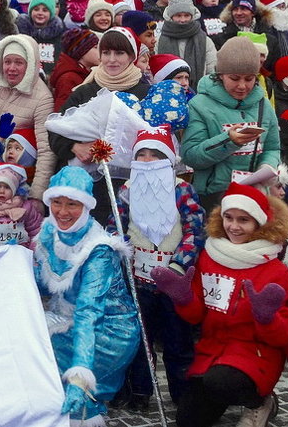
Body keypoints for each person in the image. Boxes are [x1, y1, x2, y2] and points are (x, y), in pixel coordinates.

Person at [152, 182, 288, 427]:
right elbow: (197, 315)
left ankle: (259, 401)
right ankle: (224, 391)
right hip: (213, 351)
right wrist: (184, 298)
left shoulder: (276, 271)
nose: (234, 226)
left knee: (220, 382)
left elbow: (284, 336)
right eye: (229, 218)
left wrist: (267, 318)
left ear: (259, 223)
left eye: (243, 220)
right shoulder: (210, 256)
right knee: (188, 420)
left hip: (255, 355)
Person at [34, 166, 141, 425]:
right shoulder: (50, 232)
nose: (62, 211)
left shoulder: (98, 251)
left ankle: (83, 415)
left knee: (46, 353)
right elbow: (42, 283)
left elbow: (88, 313)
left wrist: (80, 375)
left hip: (109, 330)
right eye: (57, 202)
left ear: (86, 207)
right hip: (67, 317)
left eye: (72, 204)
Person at [114, 126, 203, 410]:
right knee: (141, 340)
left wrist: (180, 265)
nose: (149, 160)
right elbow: (117, 226)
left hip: (174, 280)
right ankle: (140, 391)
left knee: (178, 342)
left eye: (156, 154)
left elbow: (194, 230)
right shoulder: (127, 190)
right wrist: (120, 251)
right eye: (143, 154)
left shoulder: (182, 189)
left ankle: (183, 394)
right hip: (139, 278)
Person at [181, 36, 281, 210]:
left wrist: (267, 166)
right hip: (214, 197)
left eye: (249, 79)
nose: (242, 86)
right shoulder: (199, 105)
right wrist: (228, 141)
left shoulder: (263, 105)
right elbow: (191, 155)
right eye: (234, 78)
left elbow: (272, 147)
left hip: (253, 193)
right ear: (221, 76)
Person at [0, 34, 59, 205]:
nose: (11, 68)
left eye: (19, 62)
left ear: (30, 65)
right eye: (7, 62)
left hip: (15, 179)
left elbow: (46, 150)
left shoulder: (42, 98)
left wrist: (37, 196)